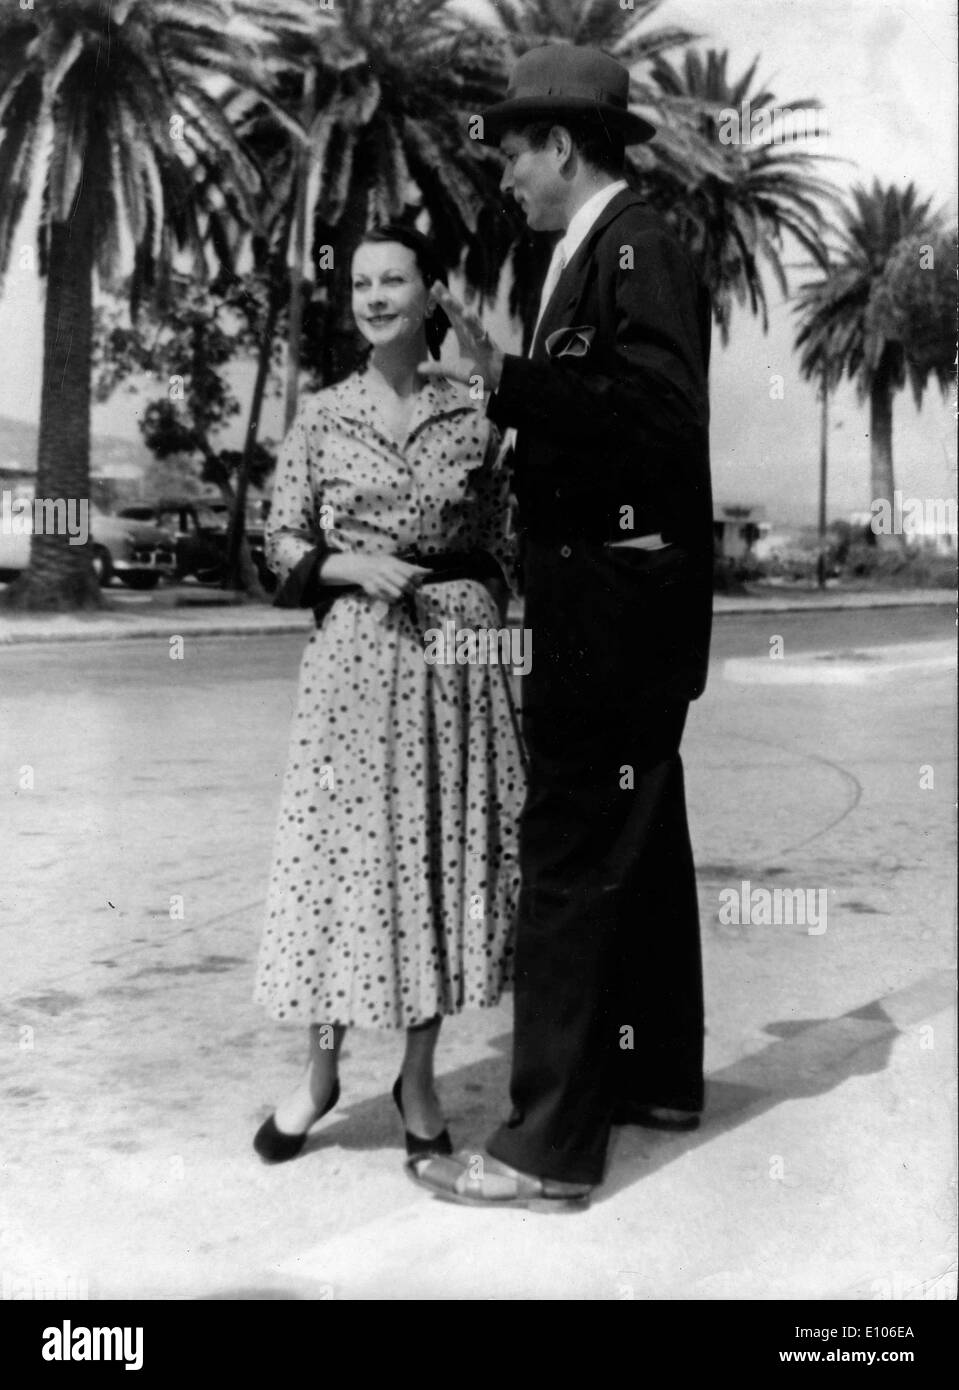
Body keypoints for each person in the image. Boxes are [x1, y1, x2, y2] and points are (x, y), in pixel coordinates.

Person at [410, 44, 714, 1210]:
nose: (505, 178)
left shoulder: (633, 245)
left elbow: (659, 417)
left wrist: (509, 385)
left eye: (513, 153)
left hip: (609, 611)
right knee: (639, 849)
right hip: (623, 605)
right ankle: (656, 1077)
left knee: (570, 858)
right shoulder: (594, 252)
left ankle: (544, 1149)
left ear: (562, 146)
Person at [252, 224, 524, 1166]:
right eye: (361, 282)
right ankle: (321, 1074)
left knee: (435, 868)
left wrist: (479, 612)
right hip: (353, 672)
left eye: (394, 280)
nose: (373, 297)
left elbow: (508, 542)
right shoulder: (323, 416)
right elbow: (277, 543)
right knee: (342, 866)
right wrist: (345, 563)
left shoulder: (479, 413)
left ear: (431, 291)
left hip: (453, 671)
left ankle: (416, 1077)